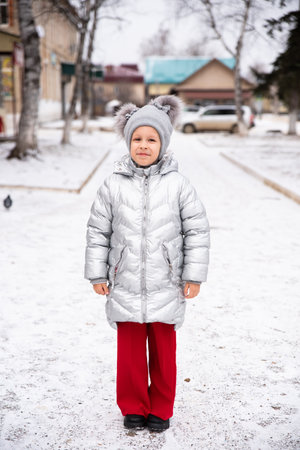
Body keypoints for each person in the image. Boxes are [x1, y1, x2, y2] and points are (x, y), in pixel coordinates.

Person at [84, 95, 210, 432]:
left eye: (151, 139)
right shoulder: (112, 184)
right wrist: (97, 272)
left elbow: (196, 230)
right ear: (128, 142)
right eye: (136, 139)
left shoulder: (179, 185)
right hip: (123, 282)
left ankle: (161, 409)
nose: (143, 145)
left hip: (166, 283)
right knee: (129, 355)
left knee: (163, 352)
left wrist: (193, 276)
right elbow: (98, 230)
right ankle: (133, 407)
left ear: (163, 143)